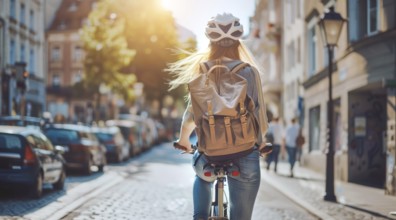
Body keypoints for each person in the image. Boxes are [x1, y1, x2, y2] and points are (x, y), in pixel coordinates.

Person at [167, 13, 269, 220]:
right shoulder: (250, 72)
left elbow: (191, 114)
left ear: (211, 42)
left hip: (210, 153)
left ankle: (201, 217)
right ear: (238, 42)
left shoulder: (202, 70)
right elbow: (259, 113)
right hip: (245, 152)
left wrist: (184, 140)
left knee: (201, 175)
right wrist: (261, 142)